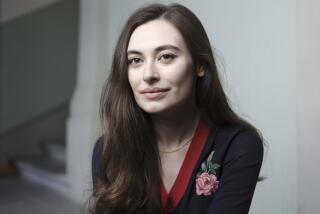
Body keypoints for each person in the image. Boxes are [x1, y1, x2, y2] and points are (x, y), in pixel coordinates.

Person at [90, 3, 263, 214]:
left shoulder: (238, 146)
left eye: (166, 56)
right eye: (135, 60)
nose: (148, 74)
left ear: (200, 65)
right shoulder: (109, 150)